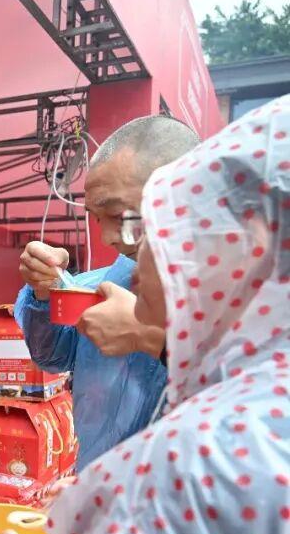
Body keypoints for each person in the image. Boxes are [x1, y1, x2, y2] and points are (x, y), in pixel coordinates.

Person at [0, 98, 290, 534]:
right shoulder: (263, 384)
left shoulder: (196, 463)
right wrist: (44, 293)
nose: (125, 251)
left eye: (143, 226)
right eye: (102, 219)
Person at [16, 115, 200, 471]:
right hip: (100, 480)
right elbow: (52, 356)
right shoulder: (103, 285)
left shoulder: (244, 297)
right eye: (96, 217)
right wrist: (45, 291)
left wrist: (154, 339)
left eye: (117, 214)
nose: (106, 237)